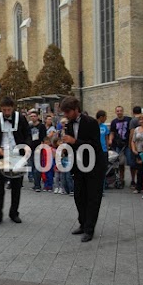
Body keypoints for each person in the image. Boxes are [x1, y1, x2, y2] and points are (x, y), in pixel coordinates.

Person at [61, 96, 105, 242]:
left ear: (76, 109)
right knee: (79, 196)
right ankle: (82, 223)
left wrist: (75, 141)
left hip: (93, 165)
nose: (66, 115)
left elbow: (94, 145)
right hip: (78, 166)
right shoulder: (68, 124)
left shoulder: (91, 122)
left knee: (92, 198)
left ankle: (89, 229)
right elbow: (71, 146)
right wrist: (65, 148)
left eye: (68, 112)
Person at [0, 97, 32, 225]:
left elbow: (28, 134)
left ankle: (14, 213)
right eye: (4, 110)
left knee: (16, 186)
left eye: (9, 109)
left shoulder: (21, 118)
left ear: (13, 108)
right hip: (1, 157)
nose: (7, 112)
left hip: (17, 155)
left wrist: (27, 146)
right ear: (1, 109)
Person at [109, 106, 132, 188]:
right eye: (117, 111)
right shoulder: (114, 122)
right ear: (116, 112)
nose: (119, 112)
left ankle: (133, 180)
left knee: (130, 162)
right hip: (118, 144)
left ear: (123, 111)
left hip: (127, 144)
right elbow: (112, 132)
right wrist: (110, 140)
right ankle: (121, 179)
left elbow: (132, 131)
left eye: (120, 111)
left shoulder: (129, 120)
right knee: (120, 163)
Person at [28, 111, 46, 191]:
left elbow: (44, 137)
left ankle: (38, 185)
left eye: (34, 116)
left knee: (37, 167)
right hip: (31, 148)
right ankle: (35, 184)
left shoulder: (41, 126)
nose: (33, 117)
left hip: (38, 147)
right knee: (32, 166)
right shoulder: (29, 126)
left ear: (37, 117)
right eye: (31, 116)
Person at [96, 110, 110, 191]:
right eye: (105, 117)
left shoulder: (104, 127)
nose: (106, 118)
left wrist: (107, 148)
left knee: (103, 169)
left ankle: (102, 187)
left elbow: (106, 138)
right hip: (96, 150)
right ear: (101, 117)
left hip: (104, 150)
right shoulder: (93, 126)